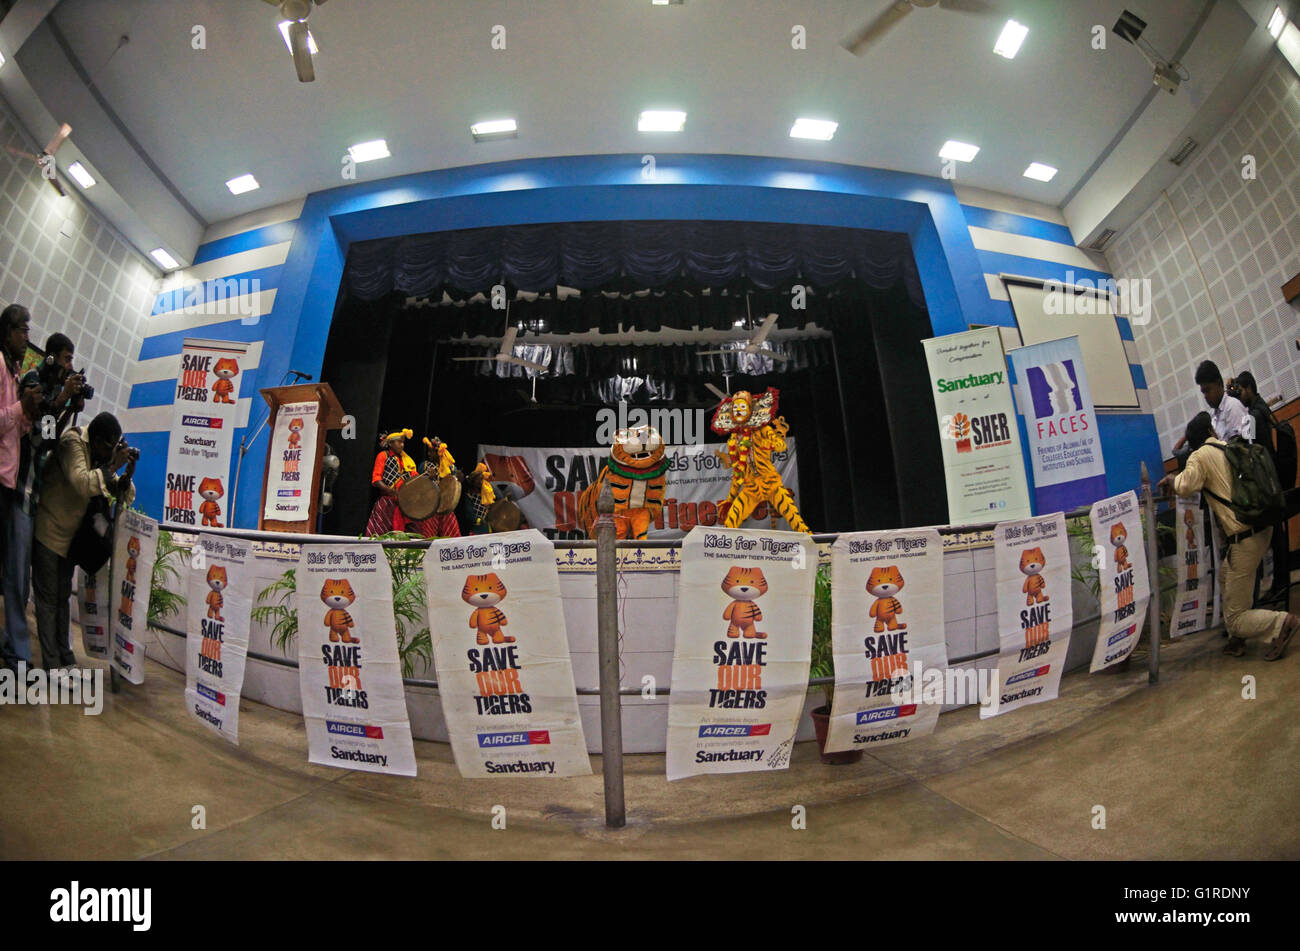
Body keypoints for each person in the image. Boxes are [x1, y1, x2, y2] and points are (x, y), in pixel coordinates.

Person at [1158, 413, 1298, 659]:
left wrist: (1172, 478)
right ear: (1211, 432)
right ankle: (1238, 640)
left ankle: (1280, 624)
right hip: (1262, 526)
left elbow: (1184, 486)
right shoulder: (1228, 447)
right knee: (1224, 575)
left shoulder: (1199, 456)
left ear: (1194, 444)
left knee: (1235, 618)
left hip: (1244, 537)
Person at [32, 412, 135, 674]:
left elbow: (123, 493)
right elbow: (81, 482)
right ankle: (52, 666)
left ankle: (66, 660)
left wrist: (125, 472)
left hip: (71, 539)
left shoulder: (101, 456)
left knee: (62, 598)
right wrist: (112, 465)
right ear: (98, 440)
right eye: (108, 447)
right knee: (47, 600)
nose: (110, 453)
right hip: (49, 531)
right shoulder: (72, 442)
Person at [0, 305, 42, 672]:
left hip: (9, 482)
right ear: (7, 331)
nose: (26, 337)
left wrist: (28, 413)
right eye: (22, 330)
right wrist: (18, 408)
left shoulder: (14, 371)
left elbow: (15, 429)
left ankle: (10, 646)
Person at [1231, 371, 1291, 601]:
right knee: (1278, 533)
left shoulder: (1253, 414)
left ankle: (1280, 585)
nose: (1239, 395)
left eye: (1240, 390)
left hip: (1267, 482)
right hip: (1274, 477)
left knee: (1276, 535)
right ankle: (1280, 583)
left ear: (1248, 388)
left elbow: (1246, 444)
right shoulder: (1262, 408)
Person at [365, 428, 417, 536]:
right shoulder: (383, 456)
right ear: (391, 443)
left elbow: (414, 478)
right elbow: (376, 479)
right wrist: (389, 490)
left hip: (402, 505)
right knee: (380, 536)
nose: (402, 445)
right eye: (399, 442)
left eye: (403, 442)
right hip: (386, 503)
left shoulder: (406, 460)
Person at [1195, 360, 1250, 440]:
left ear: (1219, 383)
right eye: (1203, 392)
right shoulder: (1214, 415)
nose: (1205, 396)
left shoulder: (1233, 407)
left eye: (1207, 390)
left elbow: (1245, 447)